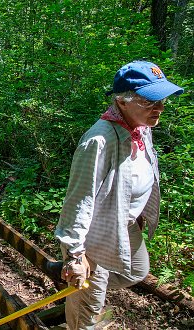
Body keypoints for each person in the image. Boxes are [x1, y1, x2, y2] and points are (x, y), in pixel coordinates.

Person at [54, 60, 183, 329]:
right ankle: (83, 296)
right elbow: (79, 200)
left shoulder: (142, 126)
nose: (159, 108)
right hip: (95, 238)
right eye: (150, 101)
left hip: (124, 224)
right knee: (88, 309)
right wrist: (76, 256)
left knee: (137, 270)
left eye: (162, 101)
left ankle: (82, 290)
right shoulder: (99, 141)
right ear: (123, 102)